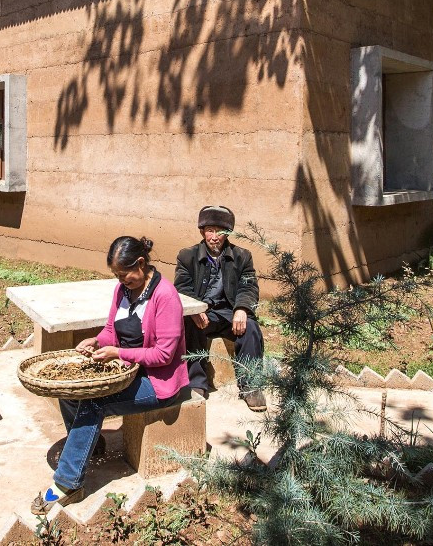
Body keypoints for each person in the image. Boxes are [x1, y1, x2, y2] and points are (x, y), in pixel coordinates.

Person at [32, 236, 188, 513]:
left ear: (141, 264)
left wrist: (118, 354)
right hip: (128, 371)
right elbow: (111, 331)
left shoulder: (165, 296)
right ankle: (90, 446)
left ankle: (68, 482)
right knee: (70, 389)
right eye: (116, 275)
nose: (120, 280)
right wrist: (95, 341)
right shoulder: (123, 291)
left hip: (158, 381)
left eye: (124, 274)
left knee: (95, 401)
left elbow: (163, 354)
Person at [174, 205, 267, 411]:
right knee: (190, 323)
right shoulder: (187, 256)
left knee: (251, 327)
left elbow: (248, 286)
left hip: (229, 312)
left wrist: (242, 308)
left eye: (220, 231)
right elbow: (182, 288)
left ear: (228, 234)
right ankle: (196, 383)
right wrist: (195, 309)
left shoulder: (242, 256)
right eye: (210, 230)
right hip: (203, 312)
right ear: (202, 231)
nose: (214, 236)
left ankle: (250, 385)